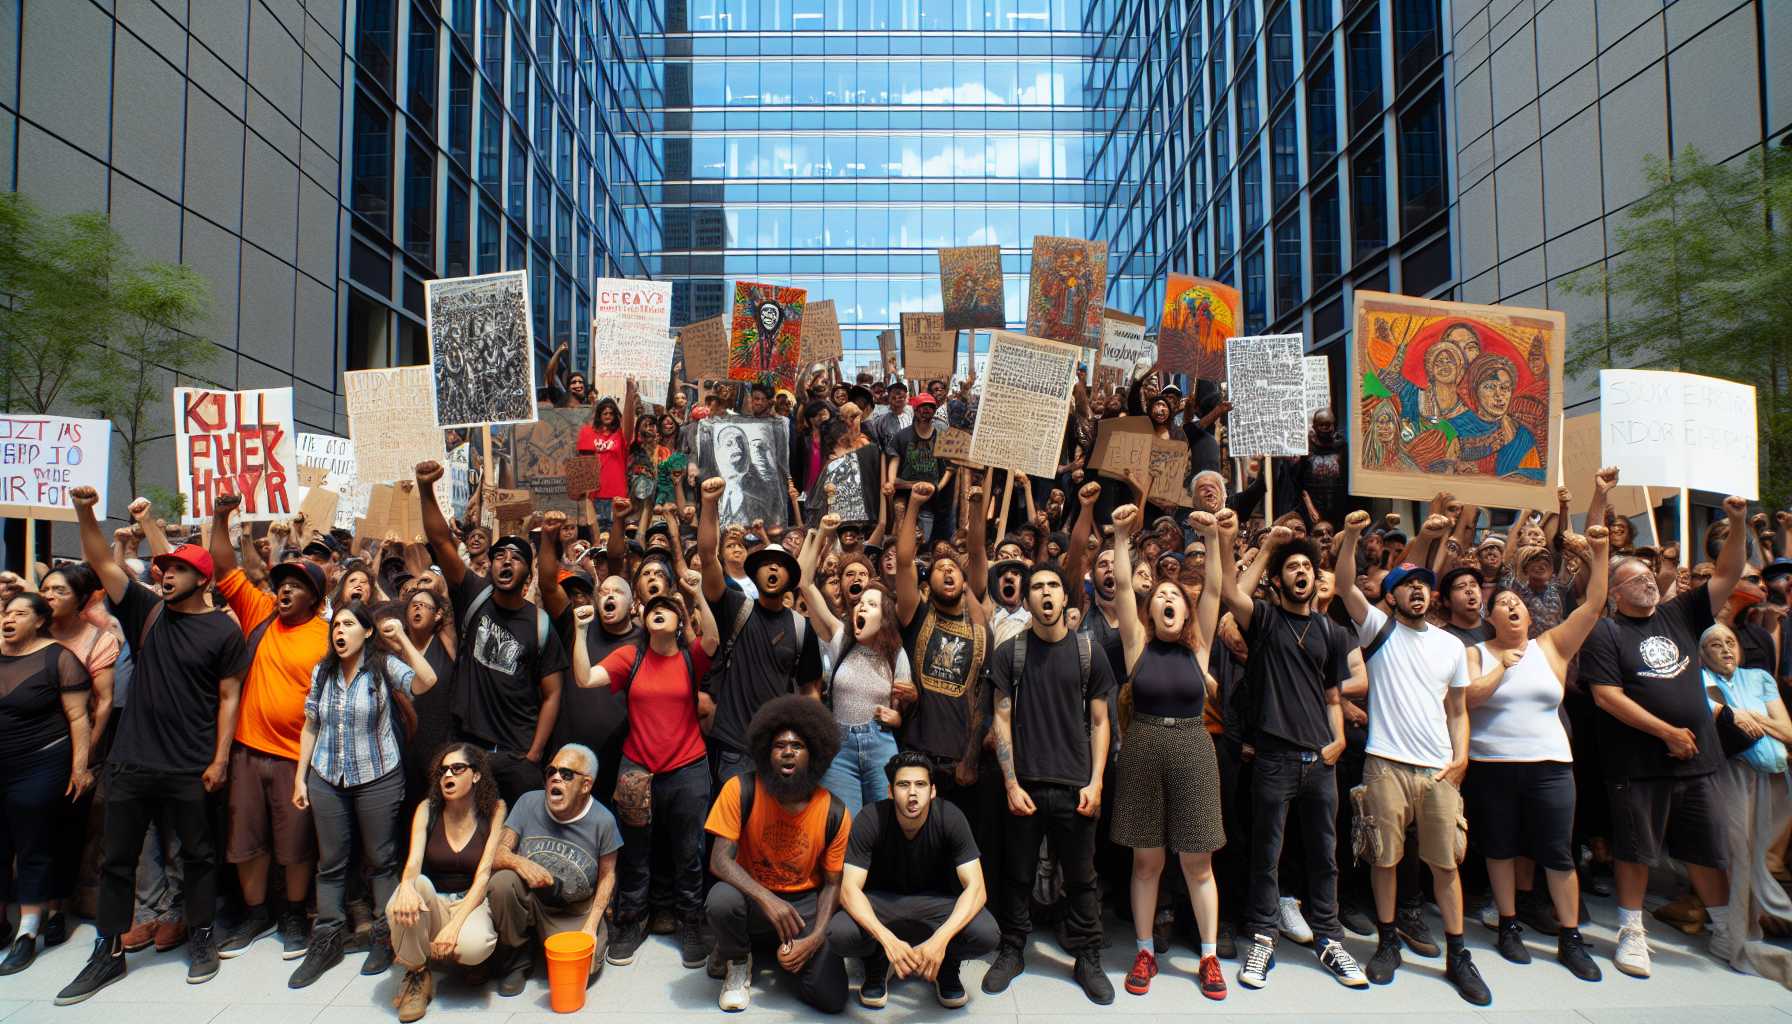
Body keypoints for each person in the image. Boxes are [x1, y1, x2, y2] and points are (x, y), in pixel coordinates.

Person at [56, 486, 250, 1005]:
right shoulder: (146, 609)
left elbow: (229, 698)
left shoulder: (222, 632)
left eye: (177, 569)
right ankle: (107, 952)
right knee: (116, 860)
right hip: (132, 762)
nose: (165, 573)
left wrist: (219, 759)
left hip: (189, 766)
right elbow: (99, 558)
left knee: (199, 856)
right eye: (162, 567)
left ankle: (201, 935)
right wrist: (85, 511)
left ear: (202, 579)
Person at [1580, 494, 1748, 978]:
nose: (1648, 580)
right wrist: (1665, 732)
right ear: (1613, 592)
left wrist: (1734, 522)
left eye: (1650, 576)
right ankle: (1632, 933)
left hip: (1699, 761)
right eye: (1635, 578)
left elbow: (1729, 573)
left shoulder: (1680, 614)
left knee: (1707, 848)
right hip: (1639, 765)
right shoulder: (1605, 633)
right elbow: (1607, 697)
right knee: (1636, 850)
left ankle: (1723, 931)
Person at [1335, 511, 1490, 1005]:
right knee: (1385, 860)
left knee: (1446, 865)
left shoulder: (1450, 646)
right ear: (1392, 596)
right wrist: (1355, 537)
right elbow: (1342, 583)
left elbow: (1458, 710)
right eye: (1407, 585)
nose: (1418, 591)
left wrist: (1462, 758)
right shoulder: (1377, 630)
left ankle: (1458, 954)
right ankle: (1386, 943)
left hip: (1439, 769)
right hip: (1384, 762)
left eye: (1424, 585)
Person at [1217, 514, 1368, 991]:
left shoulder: (1329, 631)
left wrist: (1339, 737)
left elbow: (1330, 696)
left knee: (1325, 854)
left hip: (1320, 761)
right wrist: (1269, 549)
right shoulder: (1264, 619)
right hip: (1274, 759)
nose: (1301, 572)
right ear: (1279, 580)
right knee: (1267, 854)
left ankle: (1329, 937)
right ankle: (1263, 936)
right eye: (1292, 567)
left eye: (1307, 566)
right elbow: (1230, 592)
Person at [1464, 525, 1610, 980]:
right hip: (1493, 767)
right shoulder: (1477, 652)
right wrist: (1501, 669)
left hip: (1550, 767)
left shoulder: (1552, 646)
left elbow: (1594, 603)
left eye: (1518, 605)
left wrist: (1599, 553)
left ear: (1529, 617)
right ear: (1489, 617)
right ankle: (1509, 926)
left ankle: (1570, 938)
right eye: (1502, 605)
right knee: (1501, 849)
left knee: (1557, 853)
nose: (1511, 607)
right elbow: (1468, 699)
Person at [1106, 506, 1231, 998]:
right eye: (1159, 596)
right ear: (1151, 610)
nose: (1167, 600)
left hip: (1194, 751)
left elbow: (1216, 590)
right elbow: (1119, 588)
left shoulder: (1198, 651)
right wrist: (1118, 536)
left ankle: (1208, 956)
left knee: (1199, 865)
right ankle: (1144, 951)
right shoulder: (1136, 645)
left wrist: (1214, 539)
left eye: (1174, 594)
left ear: (1185, 605)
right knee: (1146, 863)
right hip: (1142, 751)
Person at [982, 561, 1118, 1005]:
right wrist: (1009, 783)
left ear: (1065, 598)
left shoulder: (1088, 653)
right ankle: (1013, 948)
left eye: (1052, 586)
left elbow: (1101, 723)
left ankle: (1088, 955)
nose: (1044, 593)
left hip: (1076, 785)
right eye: (1036, 586)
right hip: (1026, 786)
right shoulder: (1010, 654)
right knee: (1017, 875)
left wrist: (1097, 782)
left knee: (1082, 878)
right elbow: (1000, 720)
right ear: (1027, 598)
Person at [570, 568, 718, 971]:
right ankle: (633, 922)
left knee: (689, 853)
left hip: (687, 768)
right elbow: (583, 678)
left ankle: (691, 922)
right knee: (635, 853)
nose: (658, 612)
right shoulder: (629, 656)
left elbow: (714, 639)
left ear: (678, 621)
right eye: (652, 608)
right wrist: (581, 632)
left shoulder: (691, 659)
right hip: (637, 770)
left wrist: (696, 593)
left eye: (666, 609)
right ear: (645, 620)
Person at [289, 601, 438, 987]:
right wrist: (300, 778)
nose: (339, 631)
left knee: (381, 859)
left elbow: (427, 681)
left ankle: (386, 937)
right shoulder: (322, 672)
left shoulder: (383, 668)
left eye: (349, 624)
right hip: (326, 775)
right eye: (335, 625)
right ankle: (326, 940)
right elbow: (310, 726)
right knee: (331, 862)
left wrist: (402, 638)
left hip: (378, 775)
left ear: (367, 632)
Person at [207, 494, 330, 962]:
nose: (284, 590)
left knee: (296, 843)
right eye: (281, 583)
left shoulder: (328, 635)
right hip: (246, 750)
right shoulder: (259, 614)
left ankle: (294, 914)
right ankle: (257, 913)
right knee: (246, 840)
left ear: (316, 600)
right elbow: (223, 566)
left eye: (296, 585)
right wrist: (221, 518)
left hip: (297, 759)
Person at [416, 459, 569, 805]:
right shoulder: (474, 593)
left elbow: (552, 694)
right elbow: (440, 540)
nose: (505, 561)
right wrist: (425, 489)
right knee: (464, 838)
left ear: (527, 576)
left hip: (517, 755)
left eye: (516, 558)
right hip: (469, 749)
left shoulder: (540, 625)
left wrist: (534, 754)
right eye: (500, 555)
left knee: (516, 842)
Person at [704, 695, 850, 1013]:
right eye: (778, 745)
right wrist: (767, 899)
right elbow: (719, 860)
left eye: (797, 746)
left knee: (832, 998)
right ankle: (738, 959)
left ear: (813, 755)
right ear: (765, 753)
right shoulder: (740, 789)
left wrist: (813, 940)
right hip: (751, 898)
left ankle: (780, 953)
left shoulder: (834, 811)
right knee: (721, 900)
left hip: (803, 906)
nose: (787, 752)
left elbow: (832, 884)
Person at [827, 751, 997, 1010]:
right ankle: (878, 961)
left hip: (937, 904)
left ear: (932, 791)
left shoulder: (950, 817)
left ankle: (945, 964)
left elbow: (977, 889)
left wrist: (941, 940)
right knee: (838, 933)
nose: (913, 793)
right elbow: (849, 890)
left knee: (986, 933)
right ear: (891, 791)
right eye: (903, 785)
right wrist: (887, 941)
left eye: (920, 784)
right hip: (883, 903)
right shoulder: (871, 818)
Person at [697, 476, 823, 787]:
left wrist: (808, 741)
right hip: (732, 747)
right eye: (767, 564)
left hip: (777, 752)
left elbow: (810, 692)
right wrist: (709, 504)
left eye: (781, 565)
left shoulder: (800, 627)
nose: (773, 569)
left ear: (789, 576)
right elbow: (708, 559)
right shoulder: (735, 608)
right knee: (730, 833)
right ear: (755, 573)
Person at [0, 593, 93, 975]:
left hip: (40, 762)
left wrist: (80, 767)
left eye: (20, 613)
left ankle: (27, 932)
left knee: (32, 843)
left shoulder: (59, 659)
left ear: (39, 621)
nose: (9, 618)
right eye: (7, 612)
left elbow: (78, 718)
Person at [485, 743, 623, 996]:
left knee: (585, 970)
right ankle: (518, 957)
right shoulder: (528, 803)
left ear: (586, 785)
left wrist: (591, 925)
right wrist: (521, 863)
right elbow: (497, 855)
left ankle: (553, 941)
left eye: (567, 774)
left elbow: (607, 876)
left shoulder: (603, 821)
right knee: (502, 882)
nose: (556, 777)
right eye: (551, 772)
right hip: (530, 900)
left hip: (572, 908)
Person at [800, 514, 914, 815]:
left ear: (885, 617)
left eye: (872, 604)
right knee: (843, 828)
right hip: (839, 749)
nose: (862, 605)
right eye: (861, 603)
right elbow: (805, 583)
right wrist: (823, 533)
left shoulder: (897, 655)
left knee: (884, 826)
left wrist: (898, 716)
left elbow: (903, 709)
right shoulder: (840, 639)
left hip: (881, 746)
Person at [387, 744, 507, 1022]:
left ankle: (460, 957)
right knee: (409, 892)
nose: (447, 776)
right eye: (442, 771)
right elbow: (413, 863)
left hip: (471, 901)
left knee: (474, 947)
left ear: (476, 775)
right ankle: (417, 974)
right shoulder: (427, 809)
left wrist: (454, 926)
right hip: (435, 898)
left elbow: (484, 873)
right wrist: (406, 887)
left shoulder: (495, 810)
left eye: (457, 769)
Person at [1700, 622, 1792, 983]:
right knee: (1740, 855)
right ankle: (1739, 941)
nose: (1725, 650)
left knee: (1763, 858)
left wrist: (1752, 716)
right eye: (1715, 645)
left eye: (1730, 642)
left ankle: (1752, 930)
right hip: (1733, 773)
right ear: (1703, 654)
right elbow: (1710, 712)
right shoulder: (1700, 679)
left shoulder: (1760, 679)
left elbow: (1788, 731)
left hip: (1775, 777)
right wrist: (1740, 715)